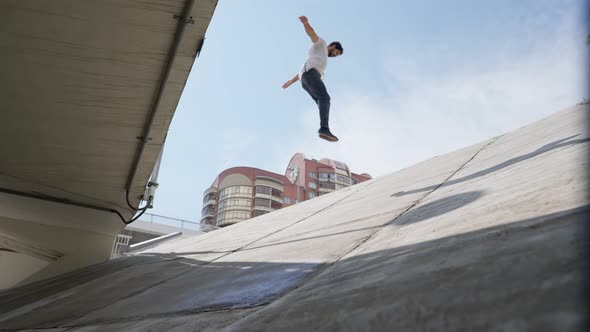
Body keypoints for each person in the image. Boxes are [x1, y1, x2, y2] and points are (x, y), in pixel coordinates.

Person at [282, 16, 343, 142]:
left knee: (321, 102)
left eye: (336, 55)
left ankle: (325, 128)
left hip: (305, 80)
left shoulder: (320, 58)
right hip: (310, 75)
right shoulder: (322, 44)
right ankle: (324, 128)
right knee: (325, 98)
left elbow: (301, 73)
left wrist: (290, 82)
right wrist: (306, 24)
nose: (334, 55)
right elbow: (312, 34)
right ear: (332, 46)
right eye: (335, 52)